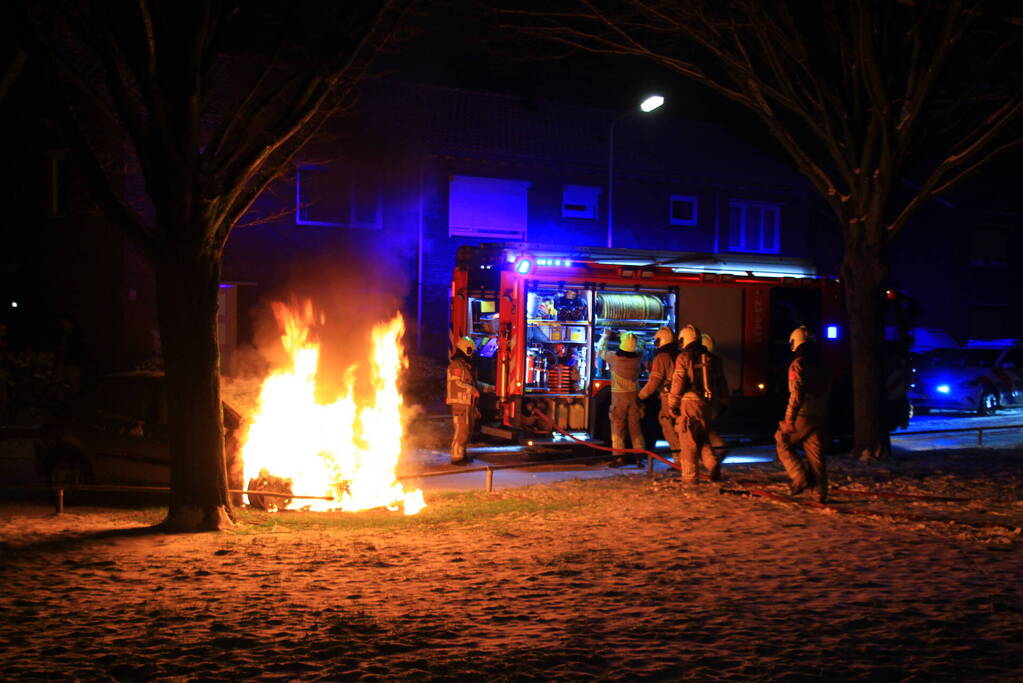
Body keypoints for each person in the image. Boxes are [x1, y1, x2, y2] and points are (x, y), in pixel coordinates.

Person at [775, 326, 830, 503]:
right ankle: (819, 492)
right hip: (820, 413)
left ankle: (800, 478)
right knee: (816, 454)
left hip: (803, 414)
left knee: (782, 441)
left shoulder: (798, 364)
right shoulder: (822, 364)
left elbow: (796, 394)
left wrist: (789, 419)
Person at [666, 324, 725, 487]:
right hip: (706, 405)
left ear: (685, 339)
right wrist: (722, 403)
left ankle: (690, 479)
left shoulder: (683, 358)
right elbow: (722, 384)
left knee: (688, 443)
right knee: (702, 438)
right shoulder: (713, 359)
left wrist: (672, 405)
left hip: (688, 403)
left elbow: (677, 383)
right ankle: (712, 464)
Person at [596, 329, 645, 467]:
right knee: (635, 428)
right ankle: (639, 458)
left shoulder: (614, 357)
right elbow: (642, 346)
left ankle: (618, 457)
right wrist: (629, 334)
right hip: (634, 398)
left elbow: (600, 350)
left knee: (618, 428)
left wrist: (605, 335)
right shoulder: (637, 357)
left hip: (619, 399)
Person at [637, 326, 680, 459]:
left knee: (669, 428)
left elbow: (654, 382)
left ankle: (679, 461)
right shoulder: (678, 354)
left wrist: (640, 395)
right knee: (679, 428)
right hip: (680, 397)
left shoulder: (661, 358)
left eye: (656, 341)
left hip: (668, 398)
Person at [447, 336, 481, 465]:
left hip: (467, 403)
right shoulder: (456, 365)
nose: (471, 352)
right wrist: (471, 389)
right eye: (470, 349)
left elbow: (470, 382)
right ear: (464, 349)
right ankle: (456, 457)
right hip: (460, 404)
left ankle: (462, 453)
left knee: (467, 430)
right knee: (461, 431)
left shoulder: (465, 365)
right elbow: (456, 383)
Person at [700, 332, 731, 460]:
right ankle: (715, 450)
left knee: (702, 429)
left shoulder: (699, 360)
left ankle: (718, 448)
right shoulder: (716, 360)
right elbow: (722, 381)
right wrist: (724, 399)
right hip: (715, 401)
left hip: (703, 400)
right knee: (705, 427)